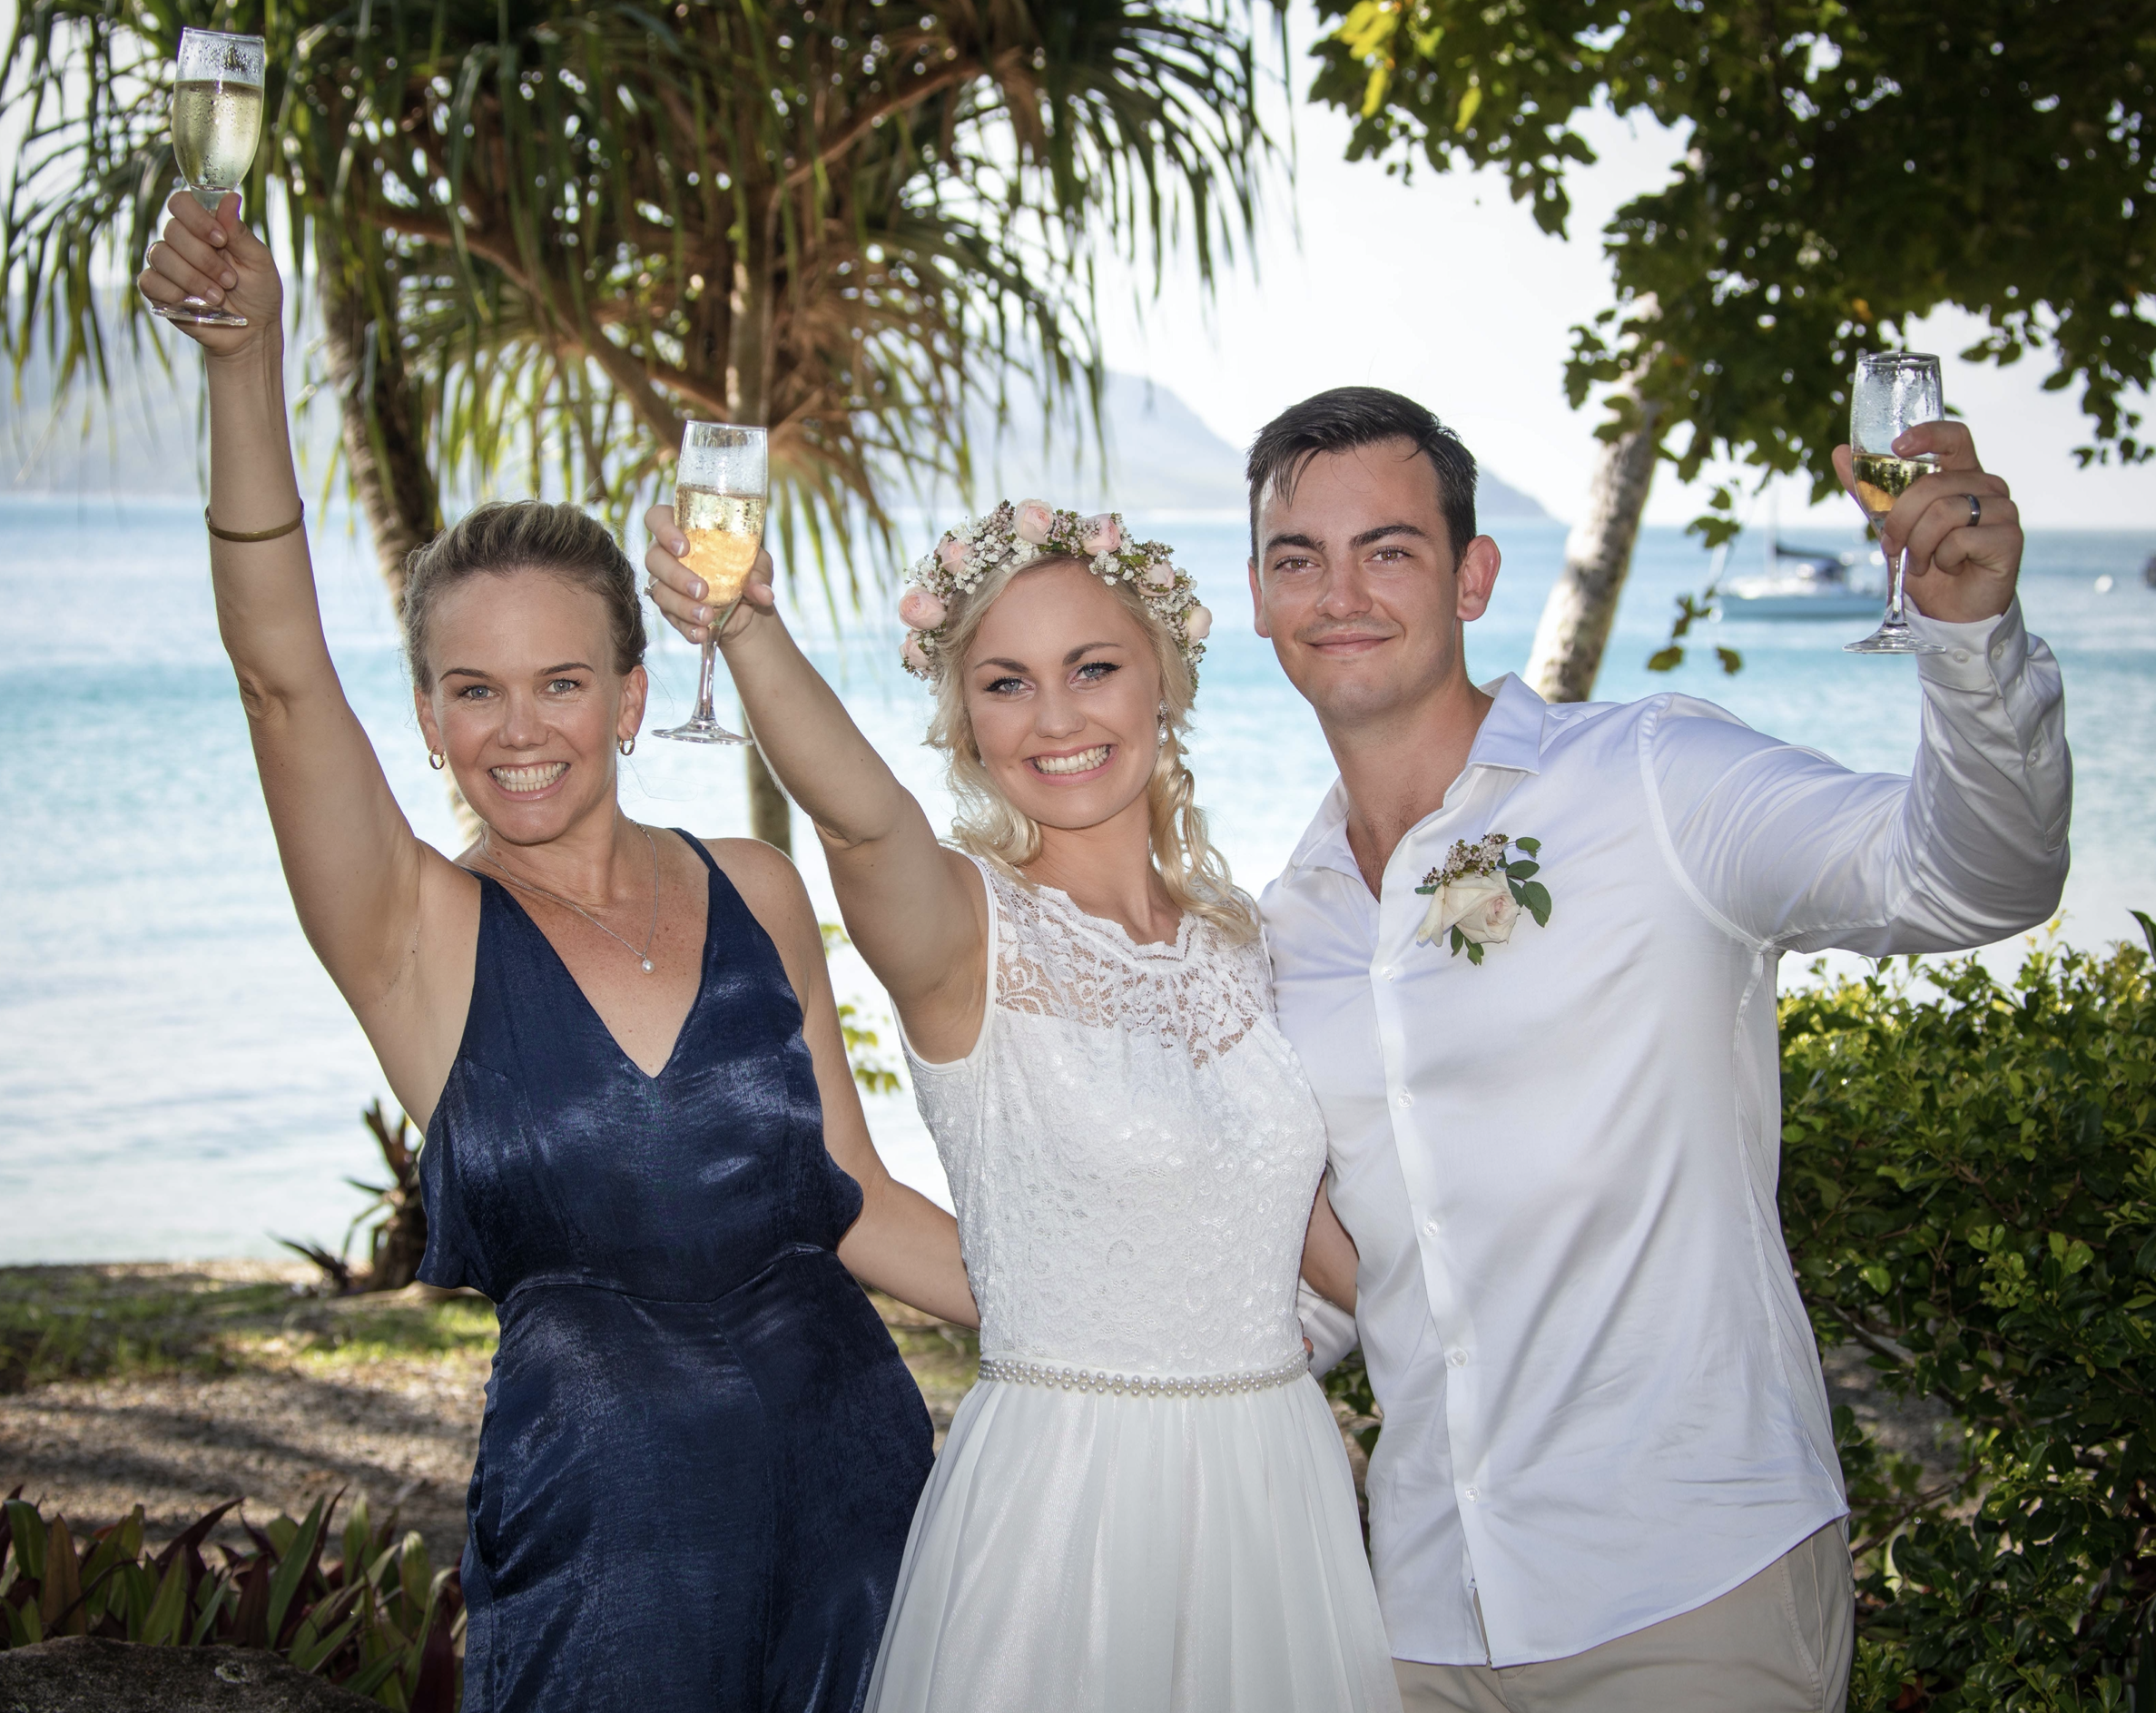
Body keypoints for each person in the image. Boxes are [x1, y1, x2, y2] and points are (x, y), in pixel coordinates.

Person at [136, 190, 976, 1713]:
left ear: (635, 696)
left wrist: (1138, 1313)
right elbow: (276, 674)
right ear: (431, 715)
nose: (518, 730)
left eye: (562, 680)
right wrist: (243, 363)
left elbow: (854, 1207)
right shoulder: (418, 936)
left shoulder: (760, 889)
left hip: (861, 1487)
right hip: (608, 1549)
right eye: (474, 689)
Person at [1248, 387, 2071, 1712]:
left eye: (1386, 548)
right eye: (1300, 557)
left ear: (1472, 576)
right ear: (1259, 597)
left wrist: (1968, 644)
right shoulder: (1288, 923)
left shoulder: (1651, 779)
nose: (1339, 590)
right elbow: (1361, 1282)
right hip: (1420, 1620)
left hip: (1692, 1591)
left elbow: (1969, 878)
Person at [644, 496, 1402, 1712]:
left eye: (1092, 667)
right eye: (1005, 683)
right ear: (965, 722)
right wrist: (747, 630)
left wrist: (1493, 1360)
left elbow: (1307, 1224)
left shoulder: (1242, 940)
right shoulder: (962, 933)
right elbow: (857, 815)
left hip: (1278, 1485)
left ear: (1164, 679)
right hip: (1073, 1509)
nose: (1056, 717)